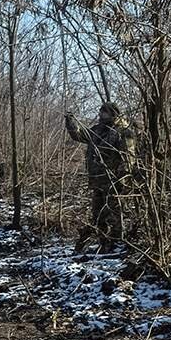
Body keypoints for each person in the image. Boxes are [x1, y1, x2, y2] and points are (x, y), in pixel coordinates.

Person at [65, 102, 137, 253]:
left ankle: (117, 244)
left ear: (112, 114)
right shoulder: (97, 130)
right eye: (100, 112)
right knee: (98, 214)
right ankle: (104, 243)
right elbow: (79, 134)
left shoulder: (123, 132)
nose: (100, 115)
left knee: (115, 214)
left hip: (114, 182)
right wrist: (70, 121)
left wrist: (121, 179)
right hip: (97, 180)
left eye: (103, 112)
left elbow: (128, 158)